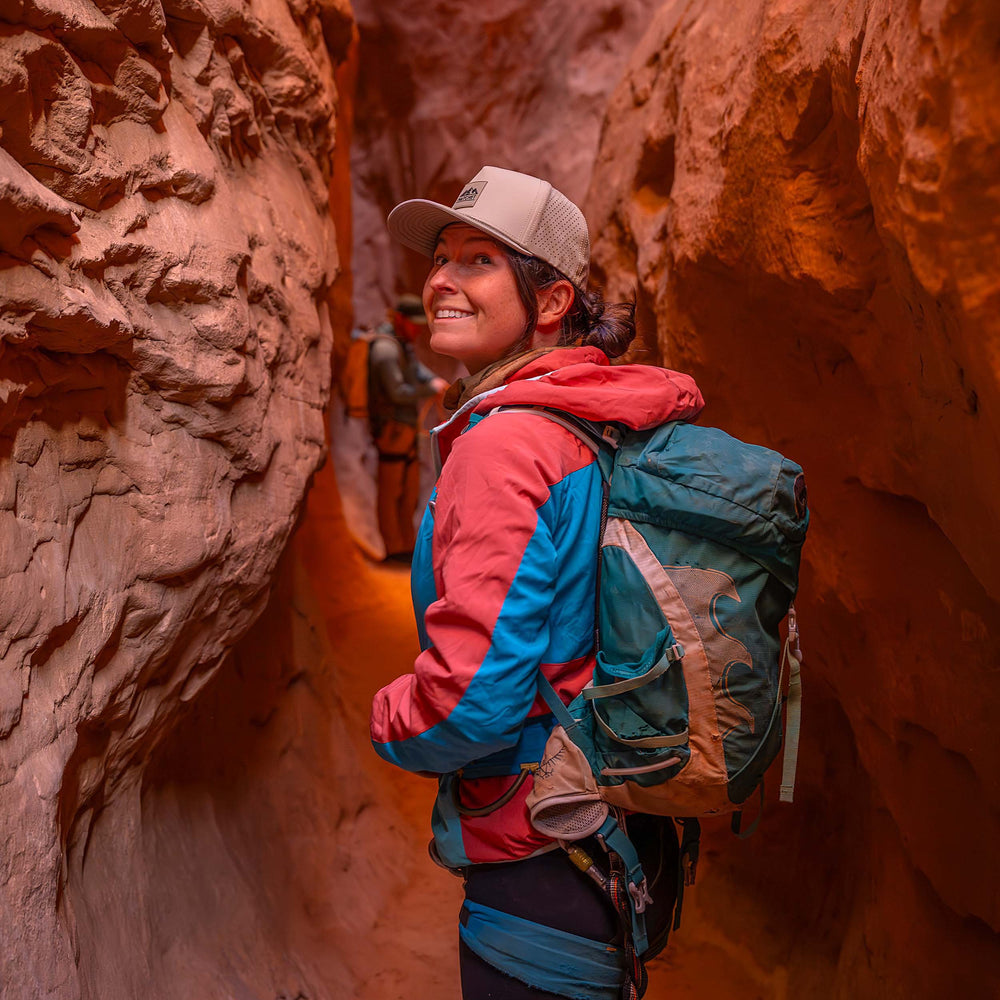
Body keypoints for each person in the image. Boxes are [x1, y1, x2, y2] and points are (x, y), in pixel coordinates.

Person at [369, 166, 706, 999]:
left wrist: (384, 718)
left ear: (551, 302)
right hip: (611, 827)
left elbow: (471, 700)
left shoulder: (506, 444)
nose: (440, 278)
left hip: (539, 849)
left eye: (478, 260)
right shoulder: (594, 418)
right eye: (442, 256)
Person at [369, 295, 448, 561]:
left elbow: (415, 370)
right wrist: (429, 389)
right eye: (412, 323)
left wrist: (432, 380)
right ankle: (393, 548)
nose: (416, 329)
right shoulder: (386, 351)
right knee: (391, 491)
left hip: (404, 429)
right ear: (400, 320)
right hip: (392, 430)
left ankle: (405, 546)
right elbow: (397, 392)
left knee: (408, 490)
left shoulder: (402, 345)